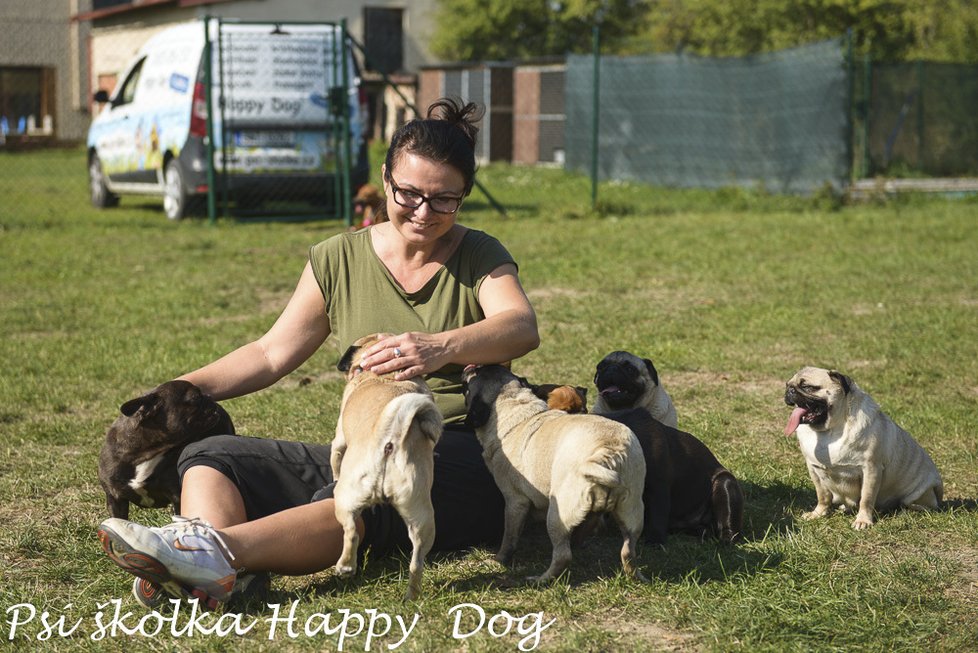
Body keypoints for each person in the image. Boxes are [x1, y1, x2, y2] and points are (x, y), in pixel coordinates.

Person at [97, 97, 540, 609]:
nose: (424, 212)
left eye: (445, 200)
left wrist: (438, 346)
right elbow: (269, 354)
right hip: (358, 449)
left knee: (363, 493)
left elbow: (520, 326)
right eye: (409, 194)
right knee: (210, 456)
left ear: (464, 194)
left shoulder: (480, 253)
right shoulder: (338, 258)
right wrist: (169, 392)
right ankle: (220, 577)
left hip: (454, 450)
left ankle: (210, 553)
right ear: (385, 178)